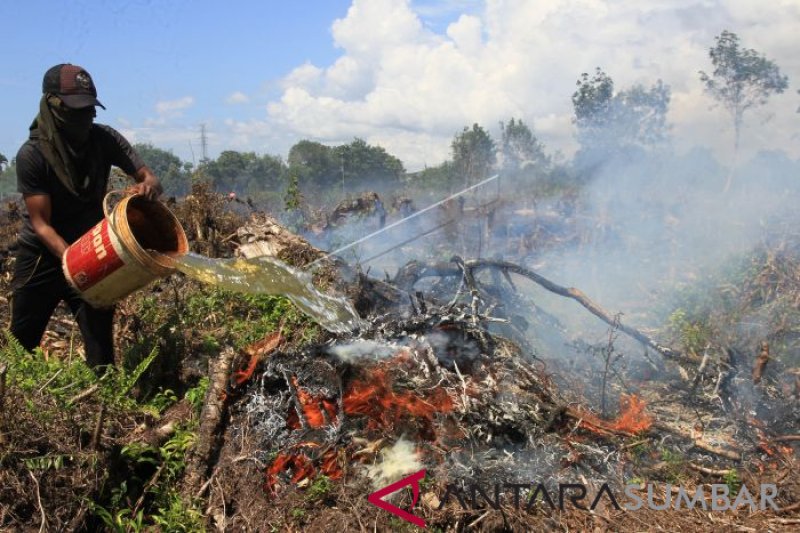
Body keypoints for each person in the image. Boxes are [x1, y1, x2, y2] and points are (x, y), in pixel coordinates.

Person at [10, 63, 162, 370]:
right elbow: (41, 224)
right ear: (53, 106)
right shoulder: (33, 155)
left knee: (101, 355)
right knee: (20, 346)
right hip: (43, 257)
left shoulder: (104, 139)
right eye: (76, 109)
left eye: (89, 109)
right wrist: (73, 261)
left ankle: (103, 402)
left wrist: (146, 188)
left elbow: (150, 178)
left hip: (94, 251)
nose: (86, 116)